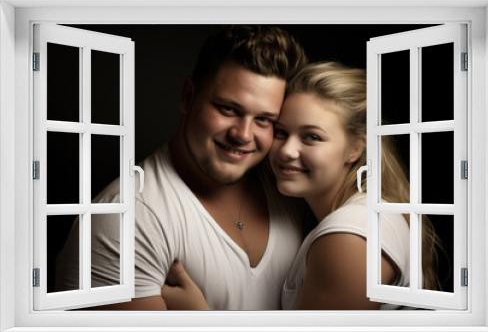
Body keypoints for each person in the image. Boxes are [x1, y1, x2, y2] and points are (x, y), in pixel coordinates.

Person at [55, 25, 308, 310]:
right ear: (188, 97)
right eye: (228, 109)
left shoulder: (288, 189)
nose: (243, 134)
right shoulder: (124, 219)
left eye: (264, 119)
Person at [163, 62, 442, 310]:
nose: (286, 151)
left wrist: (200, 318)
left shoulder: (347, 241)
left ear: (356, 147)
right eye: (281, 133)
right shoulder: (366, 213)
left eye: (311, 137)